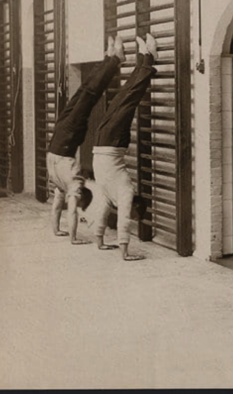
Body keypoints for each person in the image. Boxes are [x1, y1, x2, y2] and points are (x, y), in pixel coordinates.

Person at [46, 36, 124, 245]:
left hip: (64, 140)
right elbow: (56, 207)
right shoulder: (62, 185)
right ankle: (113, 59)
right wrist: (55, 229)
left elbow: (69, 211)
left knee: (86, 92)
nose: (76, 198)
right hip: (58, 142)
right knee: (86, 93)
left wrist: (72, 237)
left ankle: (113, 59)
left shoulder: (72, 186)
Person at [87, 33, 157, 261]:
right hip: (110, 143)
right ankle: (146, 60)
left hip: (104, 143)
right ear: (136, 205)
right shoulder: (122, 193)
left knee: (123, 98)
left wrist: (104, 242)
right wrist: (114, 247)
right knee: (127, 99)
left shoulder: (116, 195)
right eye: (136, 214)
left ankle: (143, 59)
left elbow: (107, 216)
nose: (132, 217)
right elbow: (120, 219)